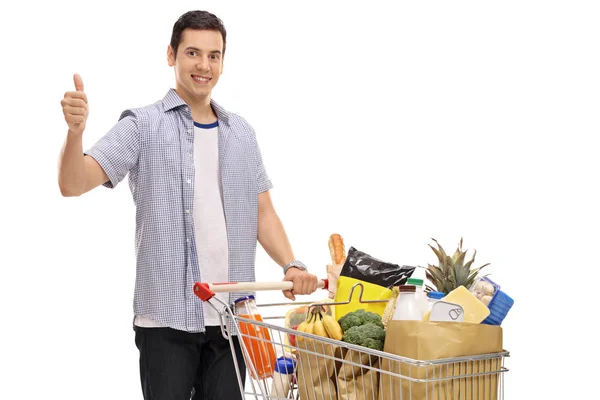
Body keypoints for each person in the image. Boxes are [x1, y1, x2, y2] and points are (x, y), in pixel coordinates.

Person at [58, 10, 319, 400]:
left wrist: (291, 263)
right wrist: (75, 133)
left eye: (214, 56)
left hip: (232, 320)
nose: (204, 65)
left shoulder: (241, 133)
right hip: (165, 320)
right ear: (171, 55)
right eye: (193, 53)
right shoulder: (142, 125)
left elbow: (263, 212)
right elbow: (72, 183)